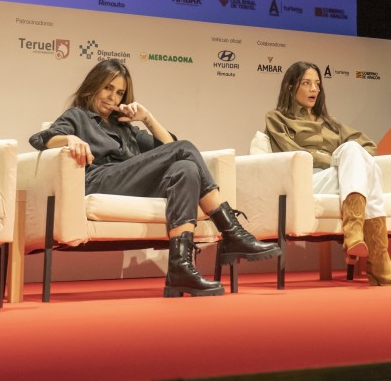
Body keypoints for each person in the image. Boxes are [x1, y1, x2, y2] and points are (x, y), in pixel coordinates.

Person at [29, 59, 279, 297]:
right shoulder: (78, 116)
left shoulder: (124, 126)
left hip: (128, 183)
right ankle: (232, 231)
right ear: (93, 86)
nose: (112, 97)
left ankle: (180, 269)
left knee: (186, 169)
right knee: (184, 149)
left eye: (119, 92)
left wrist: (147, 118)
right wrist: (69, 138)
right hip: (99, 181)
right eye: (107, 88)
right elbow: (40, 138)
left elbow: (170, 146)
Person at [263, 61, 391, 286]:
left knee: (358, 155)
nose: (314, 89)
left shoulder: (331, 123)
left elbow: (369, 146)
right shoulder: (277, 119)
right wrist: (333, 158)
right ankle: (378, 261)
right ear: (291, 87)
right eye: (306, 83)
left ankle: (356, 236)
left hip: (340, 180)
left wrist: (351, 162)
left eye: (317, 84)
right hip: (308, 181)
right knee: (355, 157)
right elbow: (293, 153)